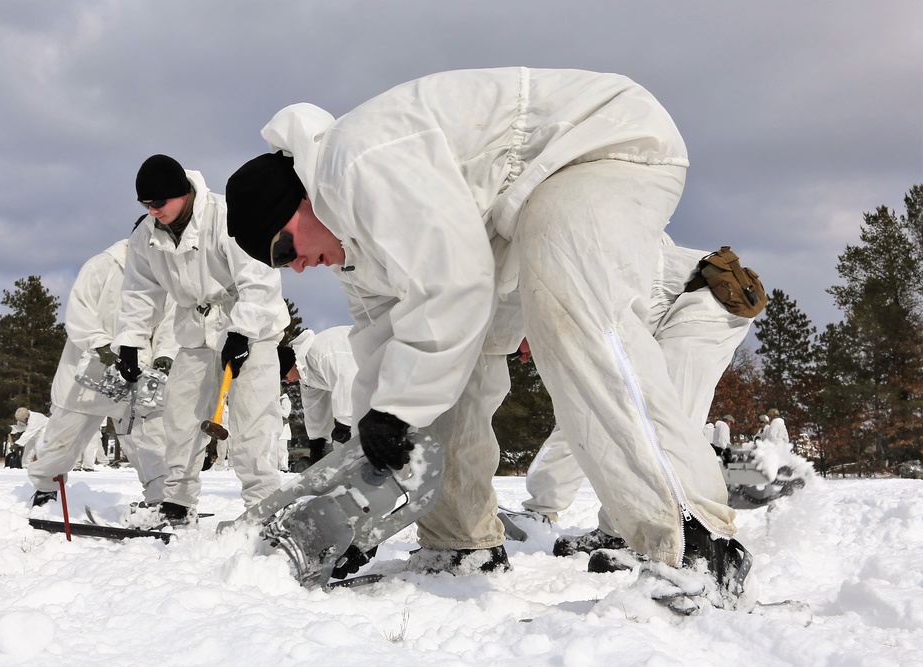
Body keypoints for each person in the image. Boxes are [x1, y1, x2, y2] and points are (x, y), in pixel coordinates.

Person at [225, 67, 754, 606]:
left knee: (571, 312)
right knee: (444, 374)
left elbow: (458, 281)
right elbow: (390, 351)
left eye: (283, 249)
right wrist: (374, 443)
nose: (294, 269)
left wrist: (398, 407)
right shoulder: (356, 254)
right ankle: (460, 543)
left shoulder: (356, 163)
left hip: (597, 147)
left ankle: (696, 543)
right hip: (502, 216)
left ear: (300, 203)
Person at [520, 237, 753, 524]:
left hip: (712, 301)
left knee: (667, 425)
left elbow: (586, 410)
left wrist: (539, 507)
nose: (525, 354)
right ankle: (621, 530)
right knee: (639, 416)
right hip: (710, 293)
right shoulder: (597, 266)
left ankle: (689, 531)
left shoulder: (584, 295)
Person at [114, 154, 290, 528]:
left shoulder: (226, 217)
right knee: (180, 419)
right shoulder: (146, 235)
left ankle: (265, 507)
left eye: (158, 202)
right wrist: (130, 339)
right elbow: (139, 292)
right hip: (195, 332)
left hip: (249, 328)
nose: (152, 210)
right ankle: (177, 502)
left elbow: (260, 277)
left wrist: (242, 330)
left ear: (182, 193)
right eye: (145, 204)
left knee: (253, 421)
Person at [26, 235, 176, 508]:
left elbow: (168, 322)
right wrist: (99, 344)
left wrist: (165, 353)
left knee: (152, 442)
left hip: (137, 374)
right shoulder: (103, 265)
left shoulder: (165, 276)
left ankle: (160, 499)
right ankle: (46, 489)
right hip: (91, 371)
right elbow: (79, 310)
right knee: (64, 439)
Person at [278, 326, 356, 465]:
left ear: (291, 365)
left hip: (386, 358)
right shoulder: (305, 372)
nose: (288, 382)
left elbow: (349, 382)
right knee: (342, 447)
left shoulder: (320, 355)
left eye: (285, 377)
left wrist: (343, 425)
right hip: (367, 384)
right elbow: (314, 407)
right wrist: (316, 447)